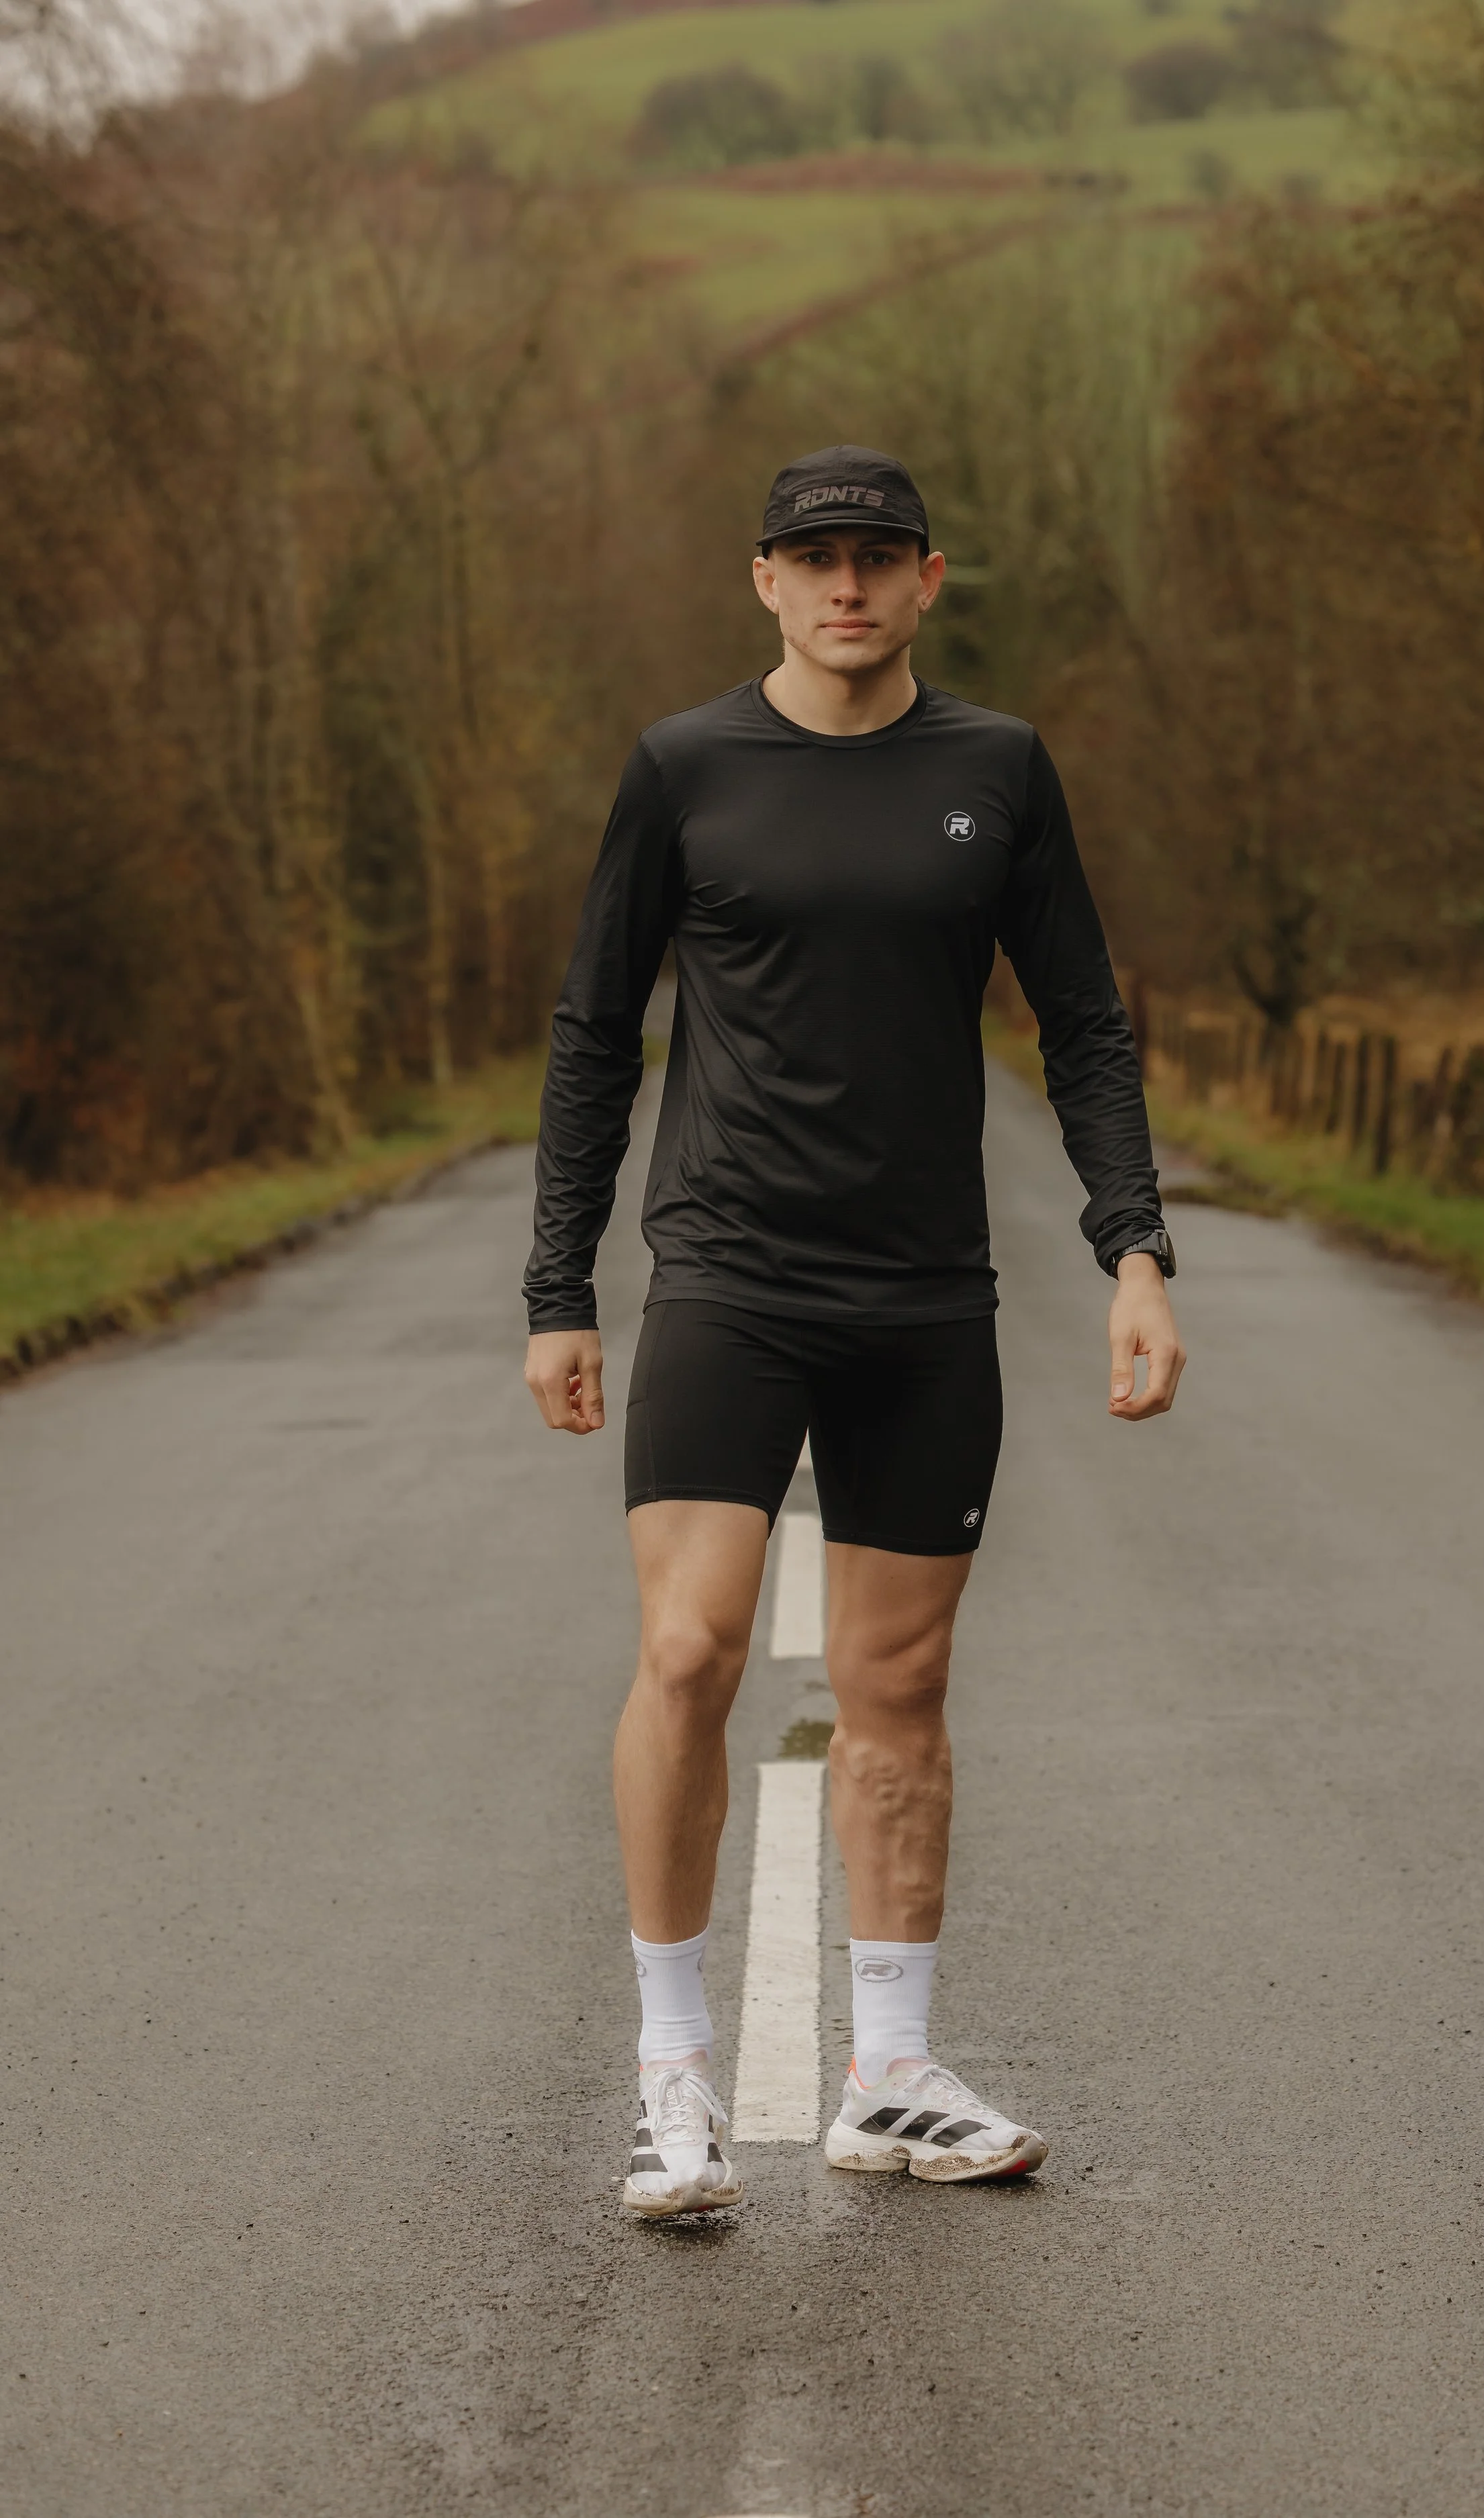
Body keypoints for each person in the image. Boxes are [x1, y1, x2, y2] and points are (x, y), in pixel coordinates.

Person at [522, 445, 1185, 2219]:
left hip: (923, 1296)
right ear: (762, 579)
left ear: (927, 578)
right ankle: (672, 2072)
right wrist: (557, 1291)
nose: (847, 586)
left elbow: (1082, 1024)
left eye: (877, 558)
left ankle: (885, 2073)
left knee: (897, 1685)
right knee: (691, 1649)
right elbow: (596, 1035)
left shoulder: (995, 771)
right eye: (815, 557)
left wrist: (1133, 1246)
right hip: (728, 1279)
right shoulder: (682, 770)